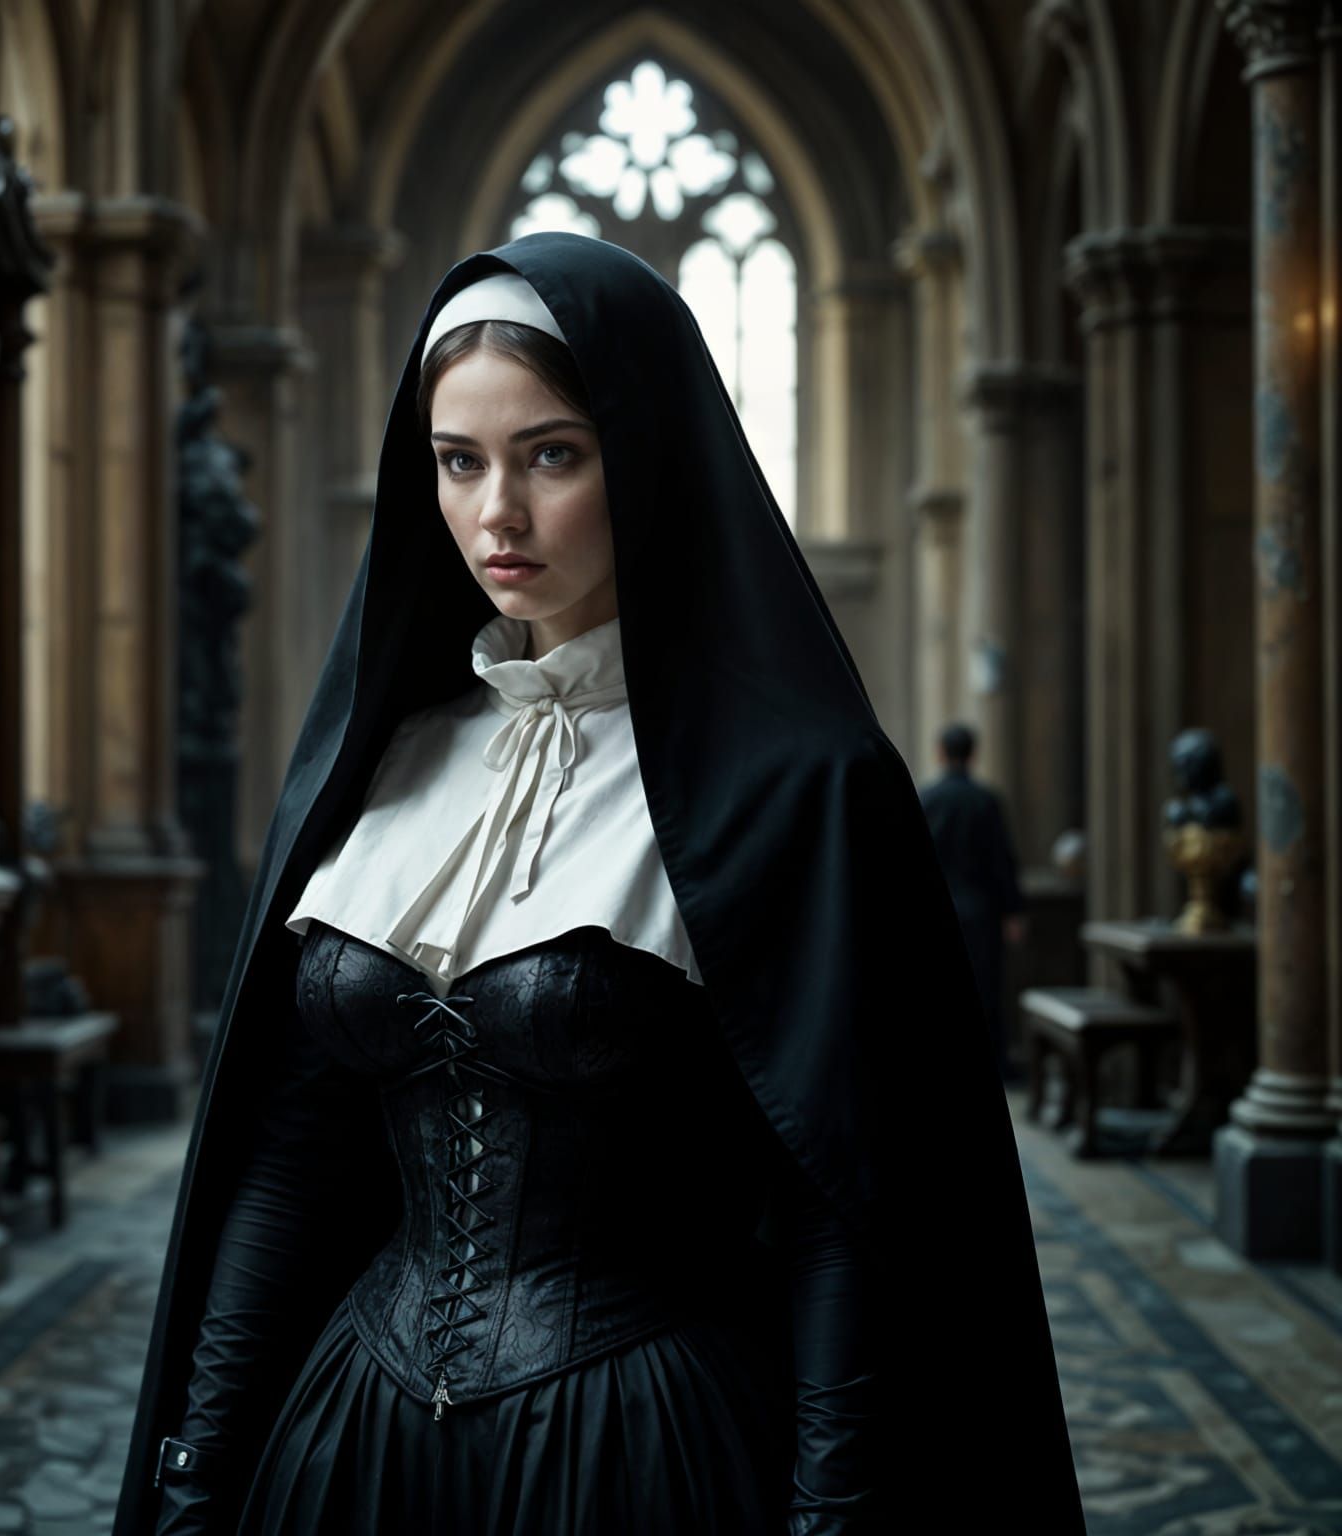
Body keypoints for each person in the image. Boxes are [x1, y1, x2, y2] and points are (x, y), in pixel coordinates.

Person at [113, 233, 1085, 1535]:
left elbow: (836, 1208)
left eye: (552, 455)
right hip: (351, 1450)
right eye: (460, 462)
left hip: (637, 1457)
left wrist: (832, 1518)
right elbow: (288, 1165)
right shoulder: (385, 761)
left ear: (646, 453)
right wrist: (194, 1477)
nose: (497, 514)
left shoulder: (801, 785)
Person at [918, 722, 1027, 1078]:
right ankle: (991, 1067)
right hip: (982, 911)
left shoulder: (927, 798)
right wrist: (1013, 911)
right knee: (986, 989)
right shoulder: (985, 800)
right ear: (973, 754)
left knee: (940, 988)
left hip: (938, 910)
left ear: (940, 752)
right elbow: (1002, 860)